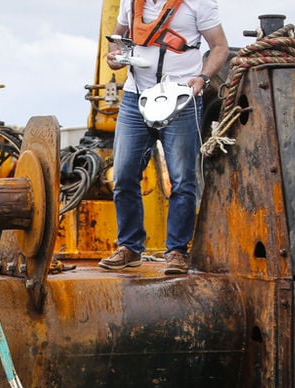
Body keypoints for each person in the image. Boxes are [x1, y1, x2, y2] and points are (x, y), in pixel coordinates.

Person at [99, 0, 229, 274]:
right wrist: (115, 55)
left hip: (181, 97)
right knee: (123, 175)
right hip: (136, 97)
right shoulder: (131, 1)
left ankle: (177, 252)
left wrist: (203, 78)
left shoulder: (198, 3)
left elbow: (219, 47)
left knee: (182, 179)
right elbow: (117, 37)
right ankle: (130, 247)